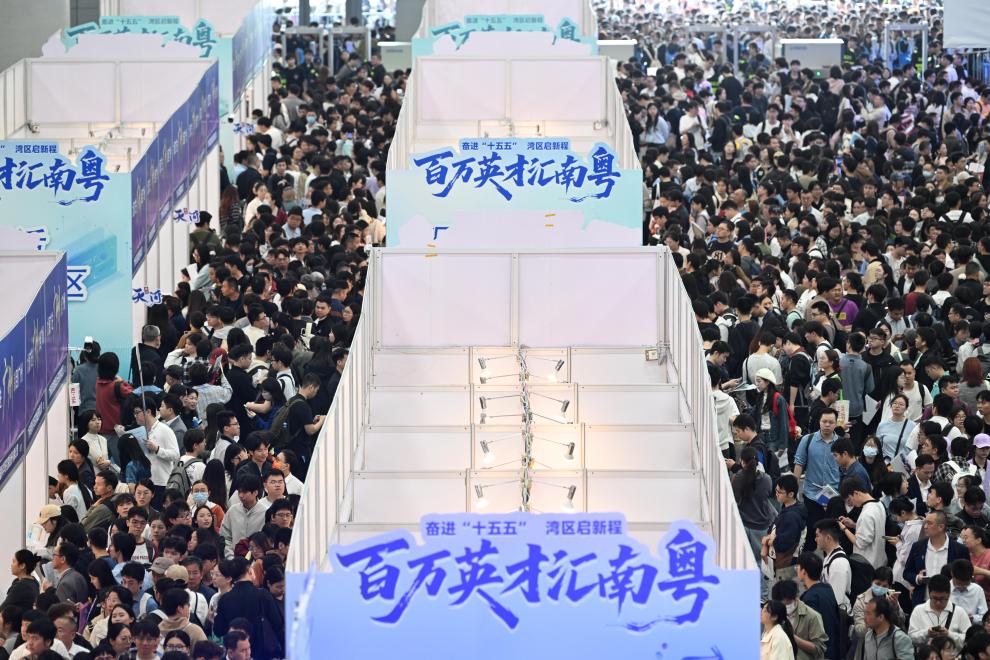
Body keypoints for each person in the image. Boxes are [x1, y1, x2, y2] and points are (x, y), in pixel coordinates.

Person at [794, 409, 841, 551]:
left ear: (836, 424)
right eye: (824, 421)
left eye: (831, 422)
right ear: (819, 422)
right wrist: (794, 488)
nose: (827, 425)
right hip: (812, 494)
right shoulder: (807, 440)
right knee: (811, 534)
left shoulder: (841, 442)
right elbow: (799, 463)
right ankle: (808, 562)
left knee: (832, 535)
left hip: (834, 496)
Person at [904, 511, 969, 607]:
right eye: (925, 523)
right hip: (922, 601)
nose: (925, 526)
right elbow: (907, 573)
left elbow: (966, 576)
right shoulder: (918, 546)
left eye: (929, 523)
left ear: (941, 527)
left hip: (951, 602)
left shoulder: (959, 549)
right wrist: (918, 578)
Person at [731, 446, 776, 563]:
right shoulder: (766, 479)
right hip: (762, 526)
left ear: (742, 461)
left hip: (743, 525)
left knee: (743, 560)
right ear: (757, 461)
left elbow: (735, 499)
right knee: (761, 561)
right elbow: (768, 495)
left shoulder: (737, 478)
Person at [796, 552, 841, 660]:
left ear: (804, 571)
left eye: (798, 566)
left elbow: (809, 634)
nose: (796, 569)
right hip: (834, 648)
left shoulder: (810, 599)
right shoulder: (827, 589)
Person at [907, 573, 970, 648]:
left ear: (949, 594)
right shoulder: (918, 610)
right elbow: (910, 638)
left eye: (942, 599)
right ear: (929, 593)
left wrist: (949, 635)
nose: (938, 602)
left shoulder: (959, 612)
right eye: (934, 598)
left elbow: (969, 639)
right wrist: (927, 633)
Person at [770, 580, 827, 660]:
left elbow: (819, 649)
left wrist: (793, 638)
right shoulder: (774, 615)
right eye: (781, 605)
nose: (785, 608)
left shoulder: (812, 616)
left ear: (795, 598)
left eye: (787, 604)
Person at [837, 477, 887, 569]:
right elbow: (872, 530)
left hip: (868, 563)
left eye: (849, 500)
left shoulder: (866, 514)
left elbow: (860, 543)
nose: (850, 504)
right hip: (878, 559)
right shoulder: (879, 504)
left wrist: (844, 528)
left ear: (856, 493)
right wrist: (854, 525)